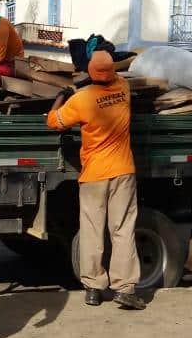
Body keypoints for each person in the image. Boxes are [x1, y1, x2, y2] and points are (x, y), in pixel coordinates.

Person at [46, 50, 144, 310]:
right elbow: (118, 77)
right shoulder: (123, 89)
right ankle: (124, 289)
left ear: (90, 73)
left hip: (93, 175)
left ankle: (93, 288)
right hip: (123, 172)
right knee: (122, 230)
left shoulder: (81, 100)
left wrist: (61, 97)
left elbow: (53, 122)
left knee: (92, 230)